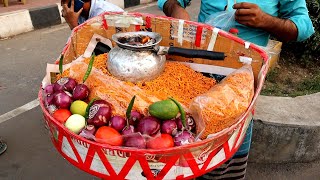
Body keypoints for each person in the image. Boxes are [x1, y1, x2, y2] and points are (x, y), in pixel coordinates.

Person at [158, 0, 314, 179]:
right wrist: (176, 9)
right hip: (195, 78)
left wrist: (266, 21)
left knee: (226, 158)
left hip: (240, 89)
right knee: (184, 150)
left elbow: (303, 26)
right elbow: (169, 1)